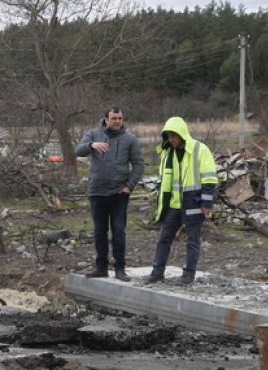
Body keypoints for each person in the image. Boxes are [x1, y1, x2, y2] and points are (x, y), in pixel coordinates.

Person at [145, 117, 219, 285]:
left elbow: (209, 179)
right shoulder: (167, 153)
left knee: (192, 240)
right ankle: (157, 271)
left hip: (193, 202)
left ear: (182, 134)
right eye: (168, 136)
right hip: (173, 204)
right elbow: (163, 179)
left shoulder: (200, 149)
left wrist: (206, 204)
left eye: (173, 136)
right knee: (164, 238)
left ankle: (188, 274)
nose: (170, 139)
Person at [75, 107, 145, 281]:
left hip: (119, 193)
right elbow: (78, 151)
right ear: (106, 119)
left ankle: (120, 268)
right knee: (100, 232)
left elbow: (139, 164)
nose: (117, 121)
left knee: (119, 231)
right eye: (114, 118)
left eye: (119, 118)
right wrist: (91, 145)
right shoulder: (93, 134)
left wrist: (129, 186)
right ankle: (101, 267)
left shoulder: (130, 139)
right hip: (97, 191)